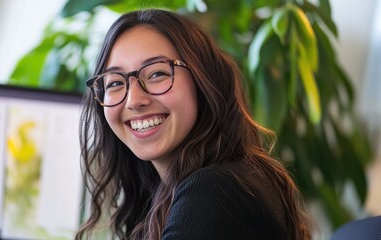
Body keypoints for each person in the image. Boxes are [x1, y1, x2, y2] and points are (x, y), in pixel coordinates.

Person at [75, 8, 312, 240]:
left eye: (157, 74)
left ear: (203, 82)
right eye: (115, 82)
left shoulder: (214, 191)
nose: (134, 100)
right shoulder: (166, 194)